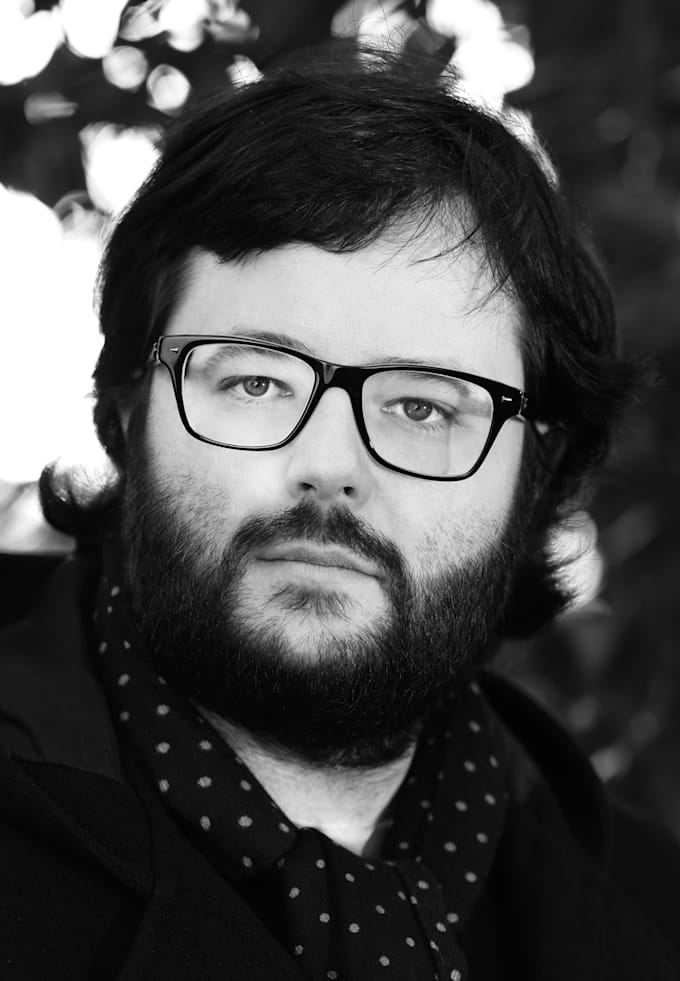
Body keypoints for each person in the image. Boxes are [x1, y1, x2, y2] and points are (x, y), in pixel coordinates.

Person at [1, 46, 679, 981]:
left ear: (540, 473)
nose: (329, 467)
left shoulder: (655, 911)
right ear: (125, 409)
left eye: (424, 407)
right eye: (254, 381)